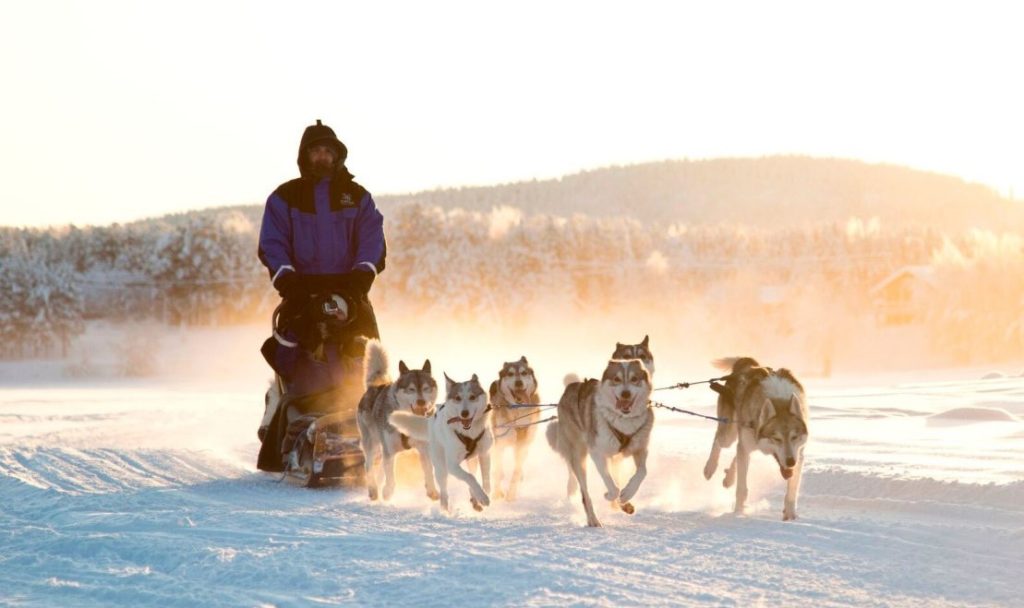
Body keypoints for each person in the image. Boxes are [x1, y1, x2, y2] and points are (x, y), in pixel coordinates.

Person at [256, 119, 386, 471]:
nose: (322, 156)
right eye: (316, 150)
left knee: (367, 361)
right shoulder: (284, 198)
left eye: (328, 151)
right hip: (301, 294)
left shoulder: (358, 198)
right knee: (301, 359)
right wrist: (290, 283)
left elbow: (372, 240)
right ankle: (298, 421)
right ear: (304, 155)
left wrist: (358, 281)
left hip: (351, 292)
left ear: (338, 156)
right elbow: (272, 244)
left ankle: (376, 424)